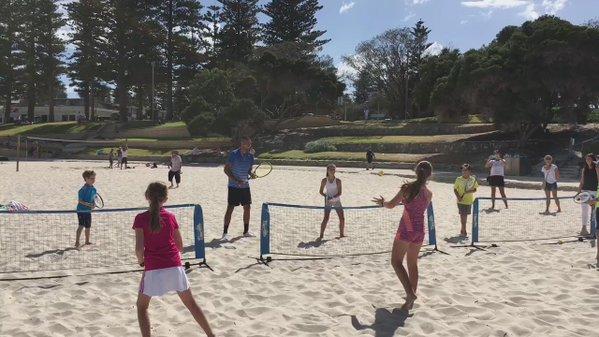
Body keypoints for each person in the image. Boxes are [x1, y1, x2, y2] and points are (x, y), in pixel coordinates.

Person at [133, 182, 215, 337]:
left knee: (142, 307)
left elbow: (138, 249)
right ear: (165, 198)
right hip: (174, 265)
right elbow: (180, 247)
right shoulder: (170, 217)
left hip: (153, 267)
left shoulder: (140, 218)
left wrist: (141, 261)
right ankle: (211, 335)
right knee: (191, 304)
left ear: (147, 196)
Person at [372, 161, 433, 311]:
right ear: (430, 174)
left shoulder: (407, 188)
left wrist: (382, 203)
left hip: (407, 228)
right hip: (420, 229)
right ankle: (409, 301)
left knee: (396, 262)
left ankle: (410, 294)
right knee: (412, 264)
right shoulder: (429, 193)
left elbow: (391, 205)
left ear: (416, 171)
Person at [222, 136, 256, 242]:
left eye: (250, 144)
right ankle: (225, 233)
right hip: (233, 186)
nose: (249, 146)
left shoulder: (251, 157)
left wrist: (252, 174)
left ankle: (246, 232)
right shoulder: (234, 154)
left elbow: (249, 171)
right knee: (230, 208)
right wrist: (236, 181)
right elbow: (226, 170)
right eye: (247, 144)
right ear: (242, 144)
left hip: (245, 186)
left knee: (247, 207)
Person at [318, 164, 345, 240]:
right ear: (327, 170)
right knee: (326, 218)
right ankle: (321, 235)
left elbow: (340, 193)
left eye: (334, 169)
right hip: (328, 201)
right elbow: (320, 191)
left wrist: (332, 197)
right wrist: (326, 197)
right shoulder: (324, 180)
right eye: (331, 169)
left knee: (342, 218)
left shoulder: (338, 181)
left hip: (336, 200)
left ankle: (342, 234)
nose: (332, 171)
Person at [454, 164, 479, 237]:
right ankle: (464, 231)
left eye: (465, 170)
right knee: (463, 216)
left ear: (469, 171)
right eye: (462, 170)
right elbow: (455, 189)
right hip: (460, 201)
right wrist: (458, 197)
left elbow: (475, 189)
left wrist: (468, 191)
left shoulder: (472, 179)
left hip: (469, 201)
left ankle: (462, 230)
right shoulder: (458, 179)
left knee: (465, 216)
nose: (463, 172)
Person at [75, 170, 97, 248]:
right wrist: (88, 204)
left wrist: (94, 204)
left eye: (94, 178)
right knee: (81, 225)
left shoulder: (94, 189)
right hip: (81, 210)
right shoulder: (83, 189)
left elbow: (94, 198)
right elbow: (80, 201)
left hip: (88, 211)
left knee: (88, 226)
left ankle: (87, 241)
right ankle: (77, 242)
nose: (93, 180)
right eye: (91, 178)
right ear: (86, 179)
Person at [578, 153, 598, 236]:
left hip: (594, 191)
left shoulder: (596, 168)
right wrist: (579, 192)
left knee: (594, 211)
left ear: (593, 160)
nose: (588, 160)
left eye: (589, 159)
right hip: (585, 191)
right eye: (586, 159)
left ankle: (594, 230)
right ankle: (584, 228)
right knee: (584, 210)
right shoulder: (584, 169)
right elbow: (582, 181)